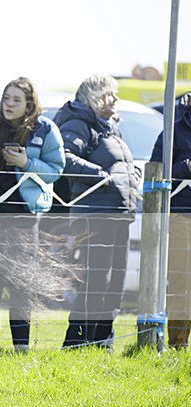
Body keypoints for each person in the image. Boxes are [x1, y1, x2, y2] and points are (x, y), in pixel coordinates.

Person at [0, 77, 65, 351]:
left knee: (21, 281)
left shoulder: (45, 128)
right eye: (7, 98)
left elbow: (56, 170)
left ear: (29, 103)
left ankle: (21, 347)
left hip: (25, 214)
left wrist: (26, 162)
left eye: (16, 100)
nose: (9, 105)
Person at [54, 75, 140, 351]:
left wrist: (132, 173)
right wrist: (101, 176)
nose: (115, 100)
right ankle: (77, 341)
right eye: (110, 94)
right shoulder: (79, 123)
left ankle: (103, 341)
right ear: (96, 97)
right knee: (96, 279)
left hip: (118, 212)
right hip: (95, 214)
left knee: (115, 280)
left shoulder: (110, 128)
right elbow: (63, 157)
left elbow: (118, 163)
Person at [151, 92, 191, 349]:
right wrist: (186, 167)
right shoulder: (174, 130)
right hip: (181, 215)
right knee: (180, 279)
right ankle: (178, 344)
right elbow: (155, 171)